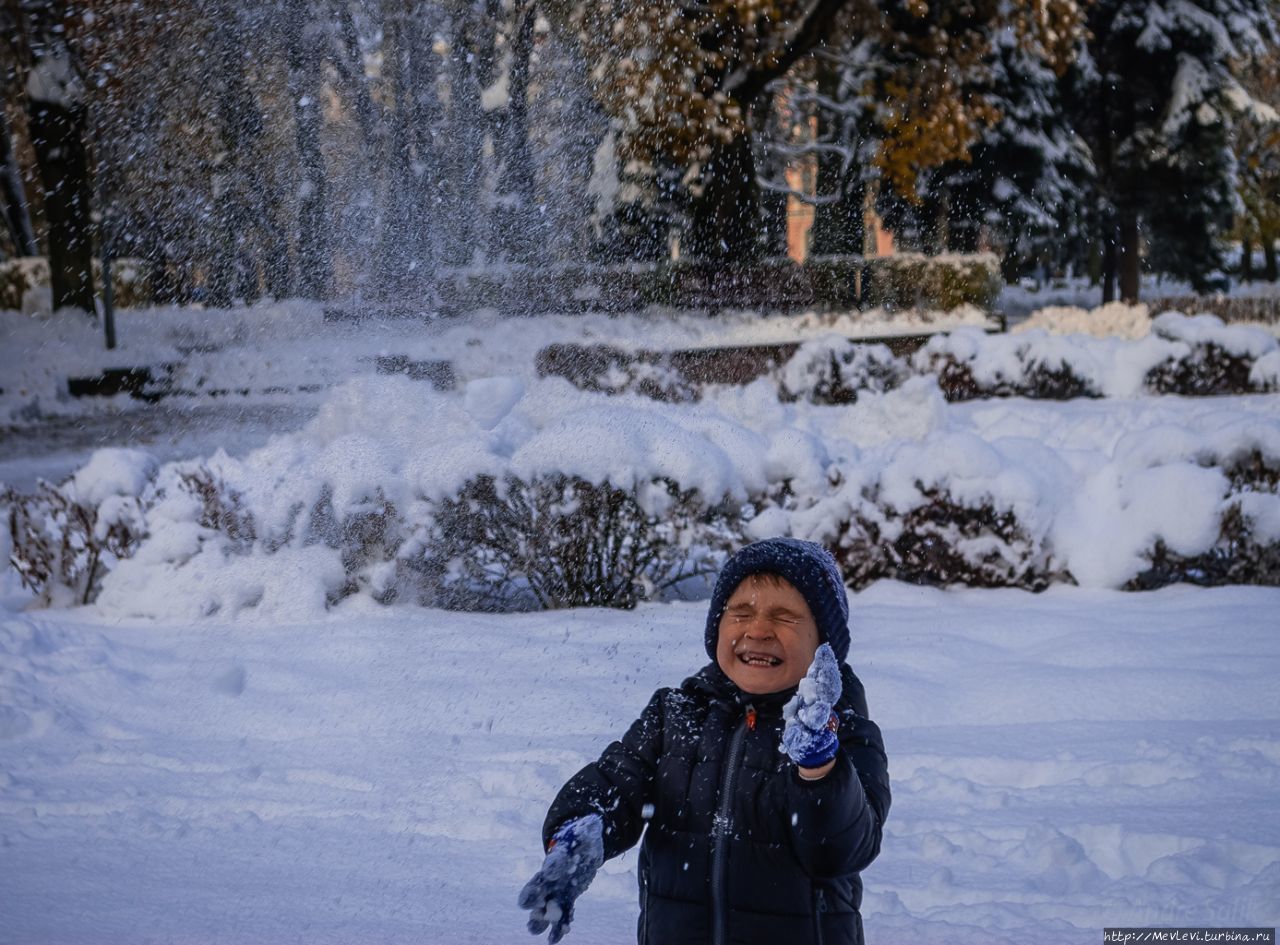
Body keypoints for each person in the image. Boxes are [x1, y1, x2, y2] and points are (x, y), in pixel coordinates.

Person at [518, 537, 891, 945]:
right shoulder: (675, 714)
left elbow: (841, 849)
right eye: (741, 612)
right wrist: (580, 832)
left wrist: (820, 768)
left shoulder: (844, 730)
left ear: (825, 647)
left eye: (785, 617)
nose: (759, 629)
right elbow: (615, 783)